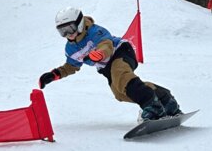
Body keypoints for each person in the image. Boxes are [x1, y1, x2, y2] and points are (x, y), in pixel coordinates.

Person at [39, 7, 183, 121]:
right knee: (120, 94)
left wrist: (100, 54)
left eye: (70, 28)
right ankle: (166, 100)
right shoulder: (70, 48)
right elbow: (71, 66)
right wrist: (54, 75)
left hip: (120, 52)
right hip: (106, 67)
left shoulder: (95, 31)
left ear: (80, 24)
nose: (68, 34)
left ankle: (152, 106)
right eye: (62, 31)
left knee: (121, 77)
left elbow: (106, 45)